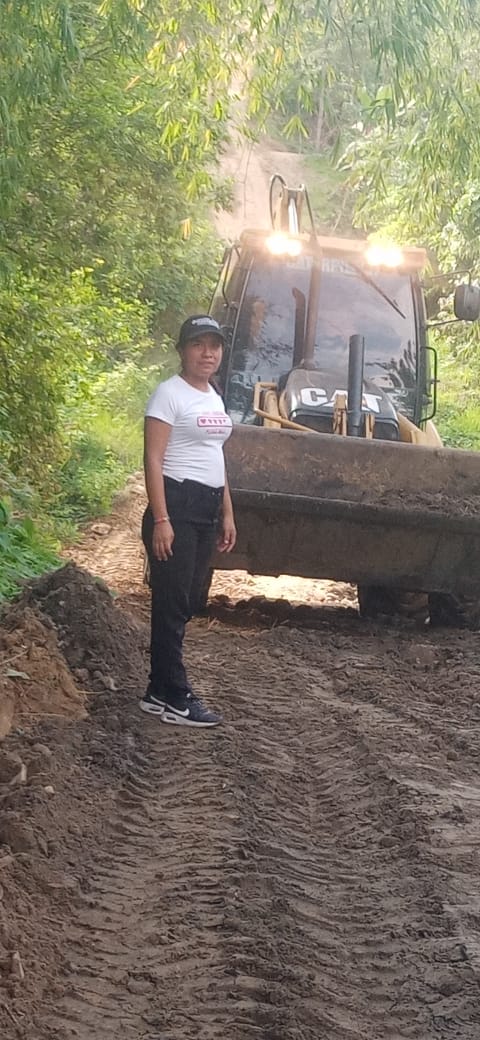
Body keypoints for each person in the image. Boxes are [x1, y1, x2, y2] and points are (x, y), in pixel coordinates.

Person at [140, 314, 236, 727]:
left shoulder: (213, 395)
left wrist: (227, 512)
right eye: (198, 344)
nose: (208, 353)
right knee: (172, 604)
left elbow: (216, 456)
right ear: (182, 350)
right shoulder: (169, 394)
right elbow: (153, 459)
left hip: (206, 509)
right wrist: (162, 518)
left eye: (214, 345)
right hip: (177, 506)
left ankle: (157, 691)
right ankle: (179, 698)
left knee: (185, 602)